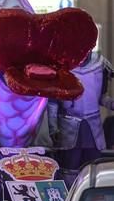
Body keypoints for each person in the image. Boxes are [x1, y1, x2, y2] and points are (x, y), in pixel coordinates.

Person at [48, 51, 114, 185]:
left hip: (93, 128)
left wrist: (111, 104)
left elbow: (101, 97)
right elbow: (53, 101)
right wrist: (53, 127)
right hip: (68, 127)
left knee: (94, 169)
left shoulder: (99, 63)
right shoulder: (61, 65)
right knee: (69, 169)